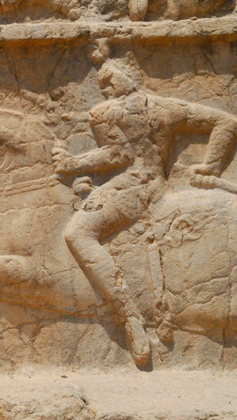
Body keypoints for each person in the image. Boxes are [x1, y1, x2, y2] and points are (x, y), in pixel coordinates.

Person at [53, 57, 237, 366]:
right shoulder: (166, 106)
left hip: (133, 188)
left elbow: (119, 153)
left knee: (77, 233)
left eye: (110, 80)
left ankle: (129, 318)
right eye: (102, 86)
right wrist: (211, 165)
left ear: (130, 74)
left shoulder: (103, 112)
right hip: (156, 186)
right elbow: (226, 122)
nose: (107, 89)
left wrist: (73, 163)